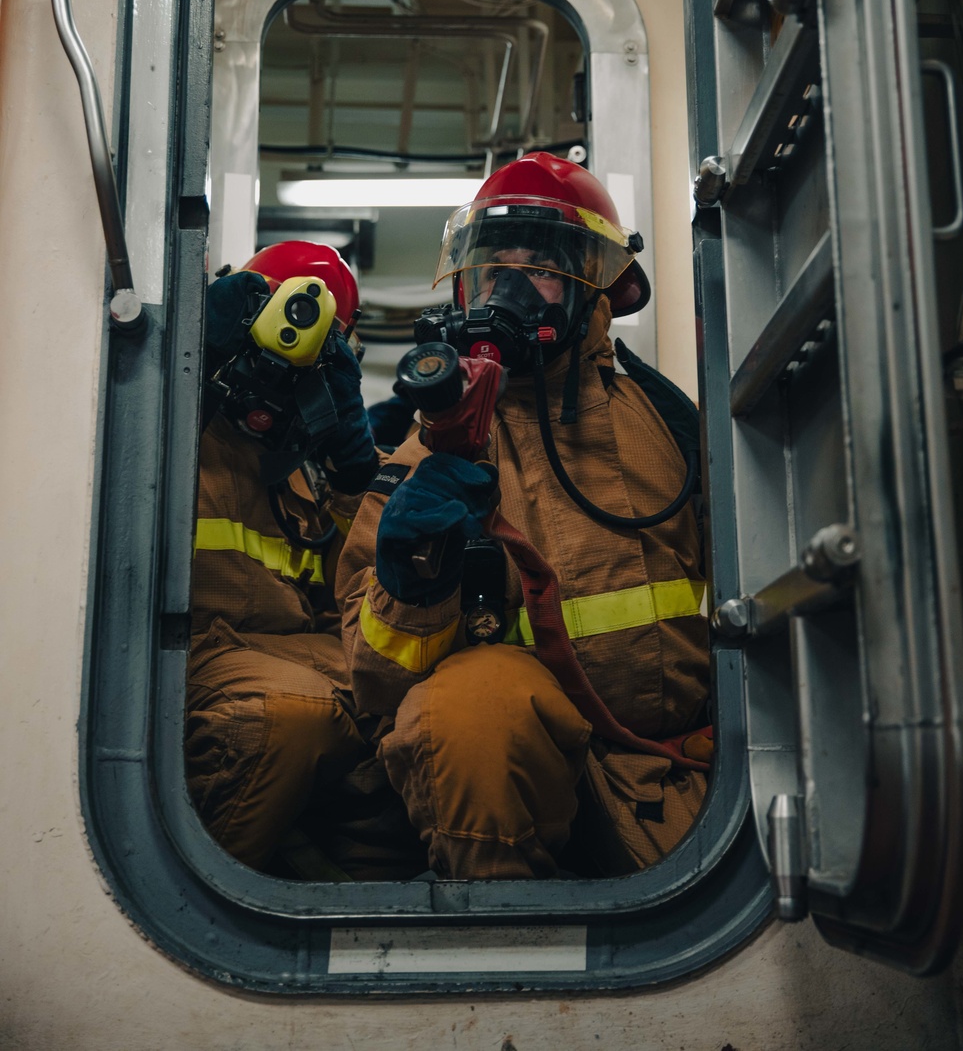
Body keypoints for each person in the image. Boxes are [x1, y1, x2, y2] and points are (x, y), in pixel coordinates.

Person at [336, 153, 711, 881]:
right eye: (492, 264)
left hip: (670, 767)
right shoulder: (430, 452)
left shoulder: (667, 425)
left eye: (539, 264)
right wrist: (414, 582)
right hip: (508, 787)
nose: (507, 287)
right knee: (467, 712)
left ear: (592, 285)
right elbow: (373, 682)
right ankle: (498, 932)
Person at [185, 240, 382, 871]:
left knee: (414, 701)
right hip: (187, 654)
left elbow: (352, 593)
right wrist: (186, 379)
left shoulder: (307, 467)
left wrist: (356, 475)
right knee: (289, 716)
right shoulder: (172, 428)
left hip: (290, 653)